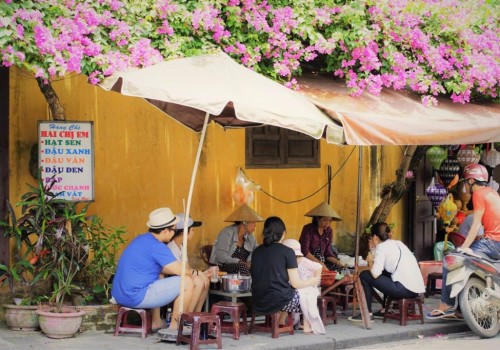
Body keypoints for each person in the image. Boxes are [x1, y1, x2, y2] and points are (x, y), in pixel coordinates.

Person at [428, 163, 500, 319]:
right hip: (495, 244)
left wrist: (463, 247)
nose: (465, 186)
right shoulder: (492, 193)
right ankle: (461, 308)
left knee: (450, 259)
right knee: (467, 264)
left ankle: (446, 304)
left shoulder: (478, 194)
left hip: (491, 243)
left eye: (466, 181)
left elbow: (475, 223)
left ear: (472, 181)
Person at [111, 207, 193, 336]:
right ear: (165, 231)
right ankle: (175, 326)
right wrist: (190, 270)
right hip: (135, 296)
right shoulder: (157, 246)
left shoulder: (141, 239)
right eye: (174, 230)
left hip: (120, 294)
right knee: (187, 282)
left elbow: (161, 268)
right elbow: (184, 272)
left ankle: (157, 321)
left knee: (160, 274)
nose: (174, 233)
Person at [251, 216, 321, 326]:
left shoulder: (256, 251)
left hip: (258, 300)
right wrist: (312, 281)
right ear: (283, 233)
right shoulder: (288, 252)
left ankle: (281, 321)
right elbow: (296, 283)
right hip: (280, 301)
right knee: (308, 293)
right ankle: (307, 326)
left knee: (284, 290)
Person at [350, 222, 425, 322]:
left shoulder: (382, 248)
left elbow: (375, 274)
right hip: (416, 290)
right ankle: (385, 310)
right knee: (385, 273)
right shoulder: (398, 243)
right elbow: (385, 269)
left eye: (372, 237)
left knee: (364, 275)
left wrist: (370, 260)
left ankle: (367, 313)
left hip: (404, 289)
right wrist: (373, 250)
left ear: (375, 237)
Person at [167, 213, 210, 313]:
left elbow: (187, 267)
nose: (193, 232)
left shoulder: (182, 246)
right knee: (198, 281)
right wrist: (198, 273)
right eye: (192, 230)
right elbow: (178, 271)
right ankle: (187, 315)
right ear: (183, 232)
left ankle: (197, 313)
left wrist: (201, 273)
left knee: (205, 280)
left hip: (184, 275)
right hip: (172, 278)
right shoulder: (171, 247)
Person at [282, 238, 325, 334]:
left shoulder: (303, 261)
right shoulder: (288, 262)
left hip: (307, 286)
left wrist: (316, 280)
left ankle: (306, 326)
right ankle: (286, 323)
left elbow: (319, 266)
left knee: (307, 301)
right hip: (296, 286)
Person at [209, 203, 264, 276]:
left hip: (244, 267)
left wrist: (251, 262)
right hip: (225, 266)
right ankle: (246, 286)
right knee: (242, 267)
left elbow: (257, 251)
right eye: (253, 222)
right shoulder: (227, 232)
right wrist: (240, 262)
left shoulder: (251, 237)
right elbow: (221, 256)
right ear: (244, 222)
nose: (255, 225)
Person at [299, 202, 345, 272]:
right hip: (309, 261)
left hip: (323, 261)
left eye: (330, 221)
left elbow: (327, 252)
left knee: (340, 269)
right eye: (325, 220)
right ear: (317, 219)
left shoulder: (329, 231)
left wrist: (337, 262)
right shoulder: (308, 229)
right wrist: (320, 264)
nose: (328, 224)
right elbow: (304, 251)